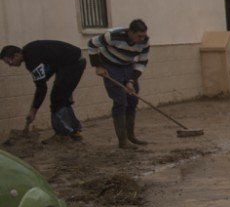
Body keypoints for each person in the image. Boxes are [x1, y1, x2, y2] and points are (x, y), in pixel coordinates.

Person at [87, 18, 151, 150]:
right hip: (110, 66)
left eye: (143, 36)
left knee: (133, 98)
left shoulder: (145, 42)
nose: (141, 39)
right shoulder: (112, 36)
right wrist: (98, 66)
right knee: (120, 101)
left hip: (128, 65)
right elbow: (91, 44)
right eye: (139, 36)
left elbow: (142, 62)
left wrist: (131, 80)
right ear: (131, 32)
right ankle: (123, 140)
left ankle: (131, 136)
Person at [2, 40, 86, 138]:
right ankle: (73, 131)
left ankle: (63, 134)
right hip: (70, 63)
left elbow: (41, 88)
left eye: (9, 62)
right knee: (61, 97)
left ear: (16, 55)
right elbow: (48, 71)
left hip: (73, 63)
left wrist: (33, 111)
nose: (10, 65)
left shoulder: (31, 59)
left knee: (57, 99)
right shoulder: (30, 51)